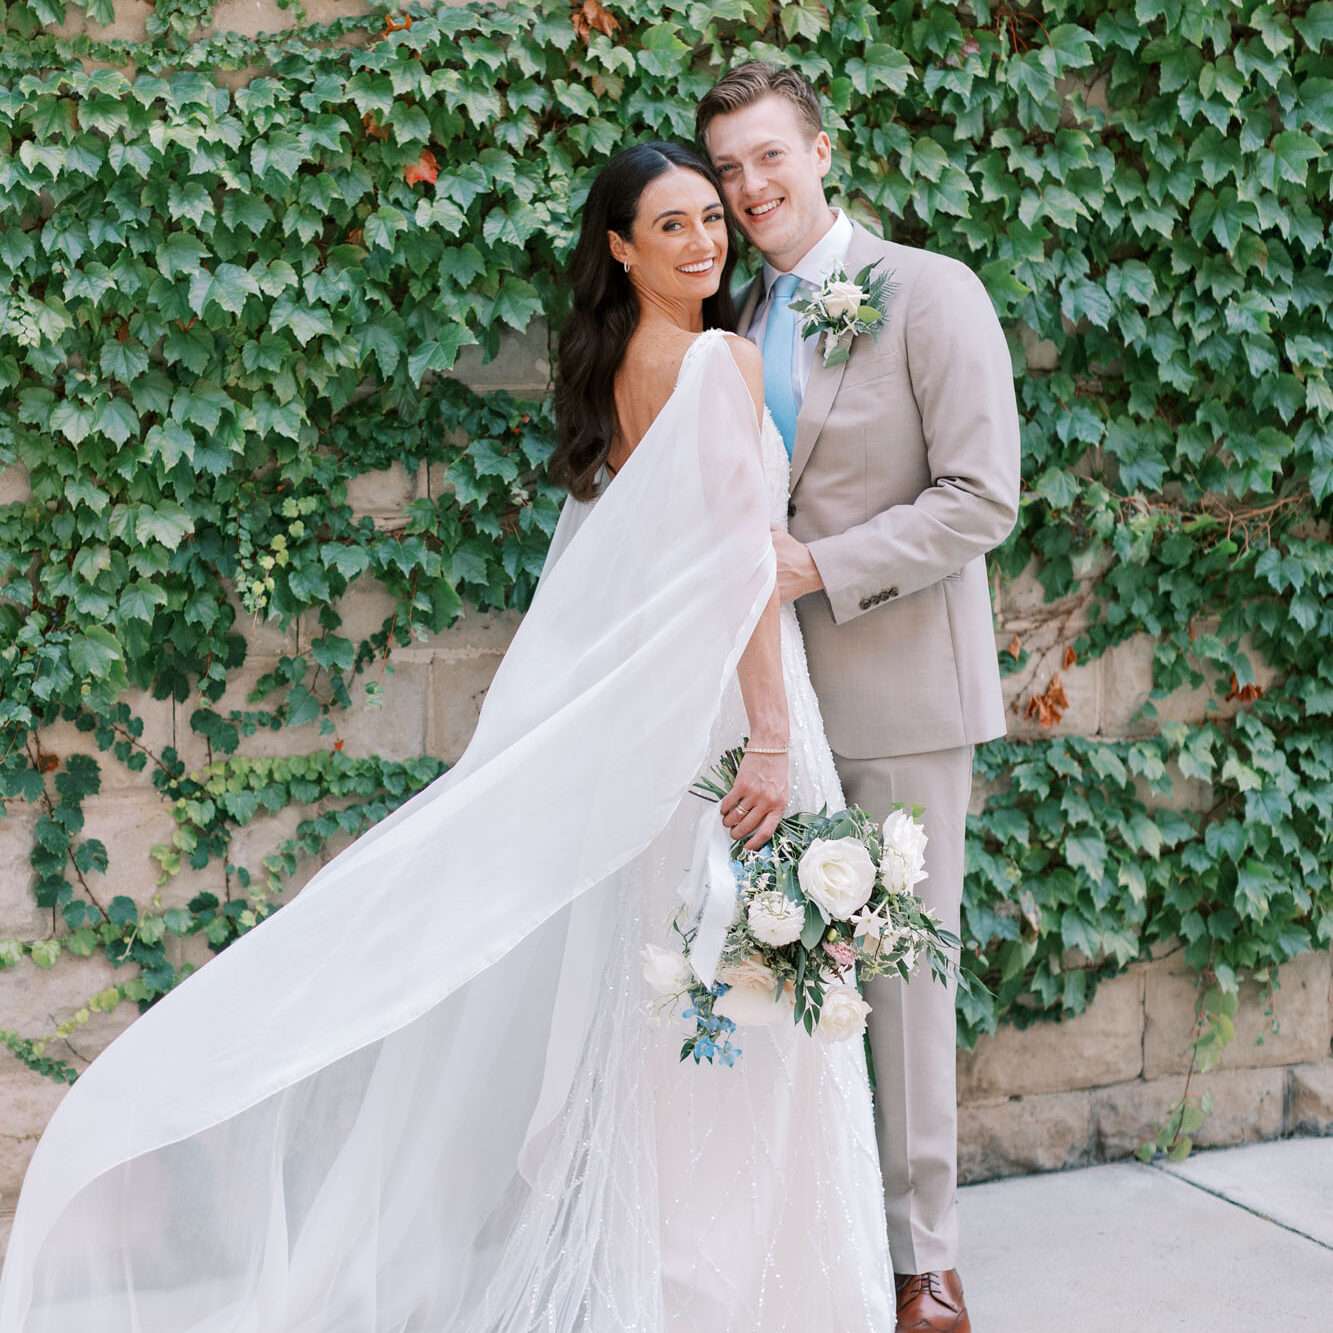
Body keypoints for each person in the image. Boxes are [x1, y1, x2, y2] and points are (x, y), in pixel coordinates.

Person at [0, 141, 898, 1331]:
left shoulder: (621, 365)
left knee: (678, 994)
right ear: (620, 249)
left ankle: (672, 1271)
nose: (703, 240)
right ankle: (733, 1289)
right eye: (669, 226)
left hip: (663, 725)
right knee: (740, 997)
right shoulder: (721, 359)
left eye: (708, 219)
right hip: (733, 715)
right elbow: (736, 565)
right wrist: (774, 741)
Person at [698, 60, 1023, 1333]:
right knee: (768, 973)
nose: (749, 186)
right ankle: (801, 1241)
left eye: (768, 156)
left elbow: (980, 498)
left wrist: (817, 566)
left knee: (903, 982)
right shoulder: (731, 312)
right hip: (764, 707)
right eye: (726, 168)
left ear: (821, 151)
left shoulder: (929, 294)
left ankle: (923, 1260)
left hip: (896, 698)